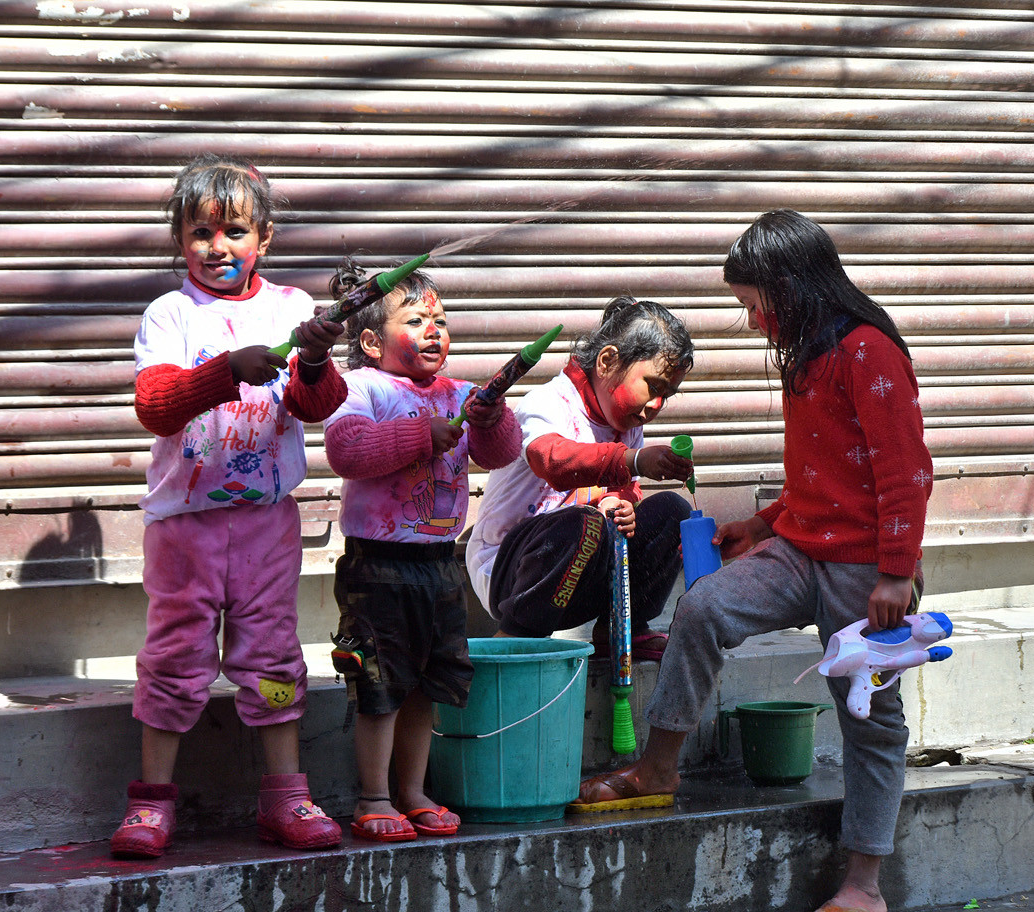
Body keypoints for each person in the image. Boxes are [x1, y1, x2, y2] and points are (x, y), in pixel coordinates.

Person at [572, 210, 933, 912]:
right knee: (703, 607)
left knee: (870, 720)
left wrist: (896, 571)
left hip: (868, 570)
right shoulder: (806, 354)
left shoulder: (868, 350)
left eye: (752, 304)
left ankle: (864, 886)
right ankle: (658, 767)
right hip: (802, 547)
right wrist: (759, 525)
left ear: (790, 286)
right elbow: (816, 481)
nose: (752, 321)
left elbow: (907, 473)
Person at [111, 154, 347, 859]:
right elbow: (155, 407)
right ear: (180, 241)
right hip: (184, 527)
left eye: (236, 232)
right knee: (175, 657)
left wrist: (311, 361)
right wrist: (224, 372)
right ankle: (151, 804)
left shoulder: (293, 310)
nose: (219, 248)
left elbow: (320, 407)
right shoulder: (171, 315)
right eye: (202, 234)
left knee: (273, 655)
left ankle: (285, 797)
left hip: (266, 526)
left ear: (265, 239)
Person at [322, 257, 522, 842]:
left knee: (427, 684)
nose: (433, 329)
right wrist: (418, 434)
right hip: (377, 567)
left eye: (439, 318)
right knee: (380, 683)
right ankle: (373, 796)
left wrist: (492, 417)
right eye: (415, 320)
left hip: (439, 565)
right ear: (370, 340)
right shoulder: (363, 387)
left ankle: (412, 790)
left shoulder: (460, 392)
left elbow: (500, 453)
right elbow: (347, 450)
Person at [465, 296, 696, 657]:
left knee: (672, 511)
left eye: (667, 395)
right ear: (606, 361)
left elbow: (625, 489)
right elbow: (552, 462)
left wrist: (621, 504)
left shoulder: (627, 422)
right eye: (652, 387)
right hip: (513, 575)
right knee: (584, 523)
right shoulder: (549, 402)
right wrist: (633, 461)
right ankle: (517, 637)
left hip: (581, 577)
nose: (656, 405)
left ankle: (624, 627)